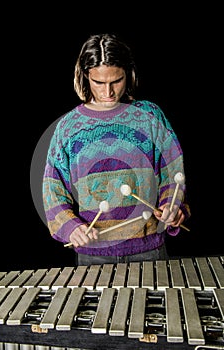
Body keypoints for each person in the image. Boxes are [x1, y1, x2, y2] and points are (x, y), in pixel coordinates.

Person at [42, 33, 191, 266]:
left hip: (149, 250)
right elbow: (53, 190)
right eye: (98, 82)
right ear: (85, 77)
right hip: (93, 255)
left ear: (129, 74)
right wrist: (72, 228)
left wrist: (172, 207)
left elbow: (172, 173)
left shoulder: (149, 116)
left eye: (116, 81)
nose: (108, 92)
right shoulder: (68, 128)